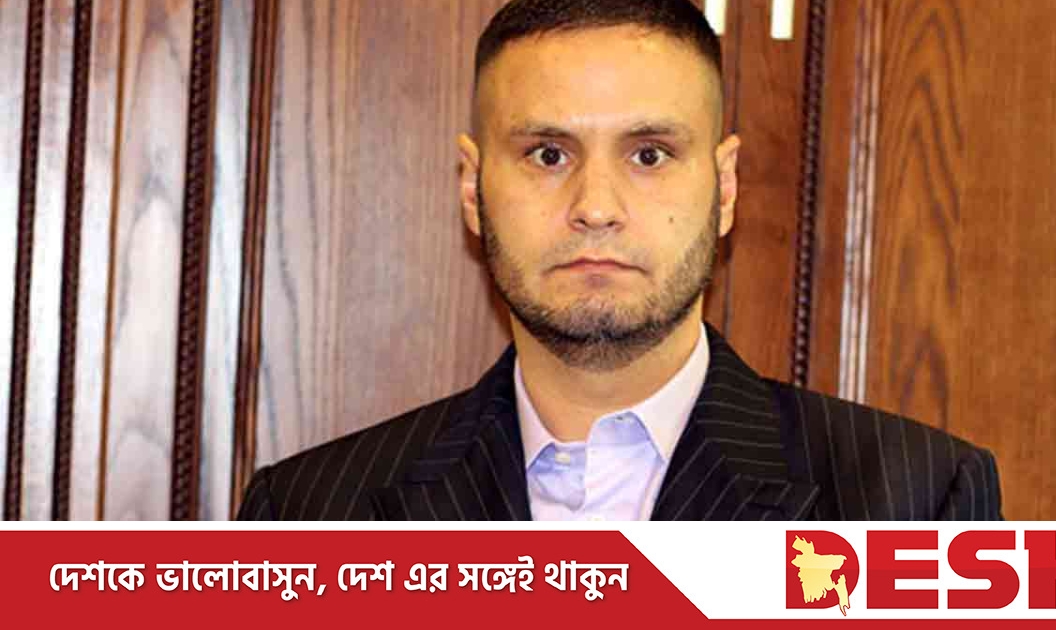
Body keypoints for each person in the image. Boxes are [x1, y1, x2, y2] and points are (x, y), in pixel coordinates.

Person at [237, 0, 1001, 521]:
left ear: (725, 188)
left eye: (649, 153)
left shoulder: (915, 501)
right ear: (473, 189)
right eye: (547, 154)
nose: (596, 206)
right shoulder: (308, 515)